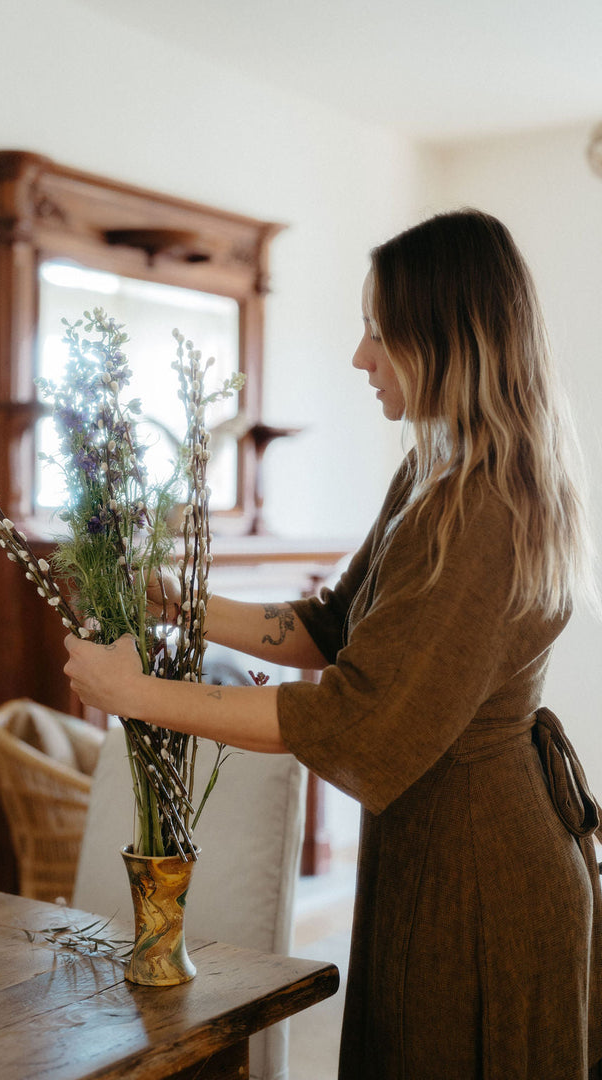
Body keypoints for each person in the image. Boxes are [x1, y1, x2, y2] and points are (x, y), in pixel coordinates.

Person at [64, 209, 602, 1080]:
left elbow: (357, 719)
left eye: (379, 333)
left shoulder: (485, 509)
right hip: (440, 837)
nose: (362, 357)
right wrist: (182, 601)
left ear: (448, 341)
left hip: (481, 872)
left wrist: (137, 695)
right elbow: (331, 626)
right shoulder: (434, 470)